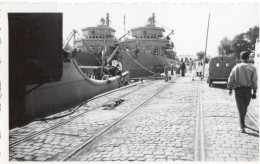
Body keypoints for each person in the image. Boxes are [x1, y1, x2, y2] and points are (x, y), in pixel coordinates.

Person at [227, 51, 258, 133]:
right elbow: (254, 81)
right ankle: (243, 124)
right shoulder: (253, 68)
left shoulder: (236, 67)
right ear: (248, 58)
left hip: (238, 90)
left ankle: (242, 127)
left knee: (241, 108)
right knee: (244, 108)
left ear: (241, 58)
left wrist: (230, 88)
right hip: (248, 90)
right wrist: (254, 91)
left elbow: (231, 78)